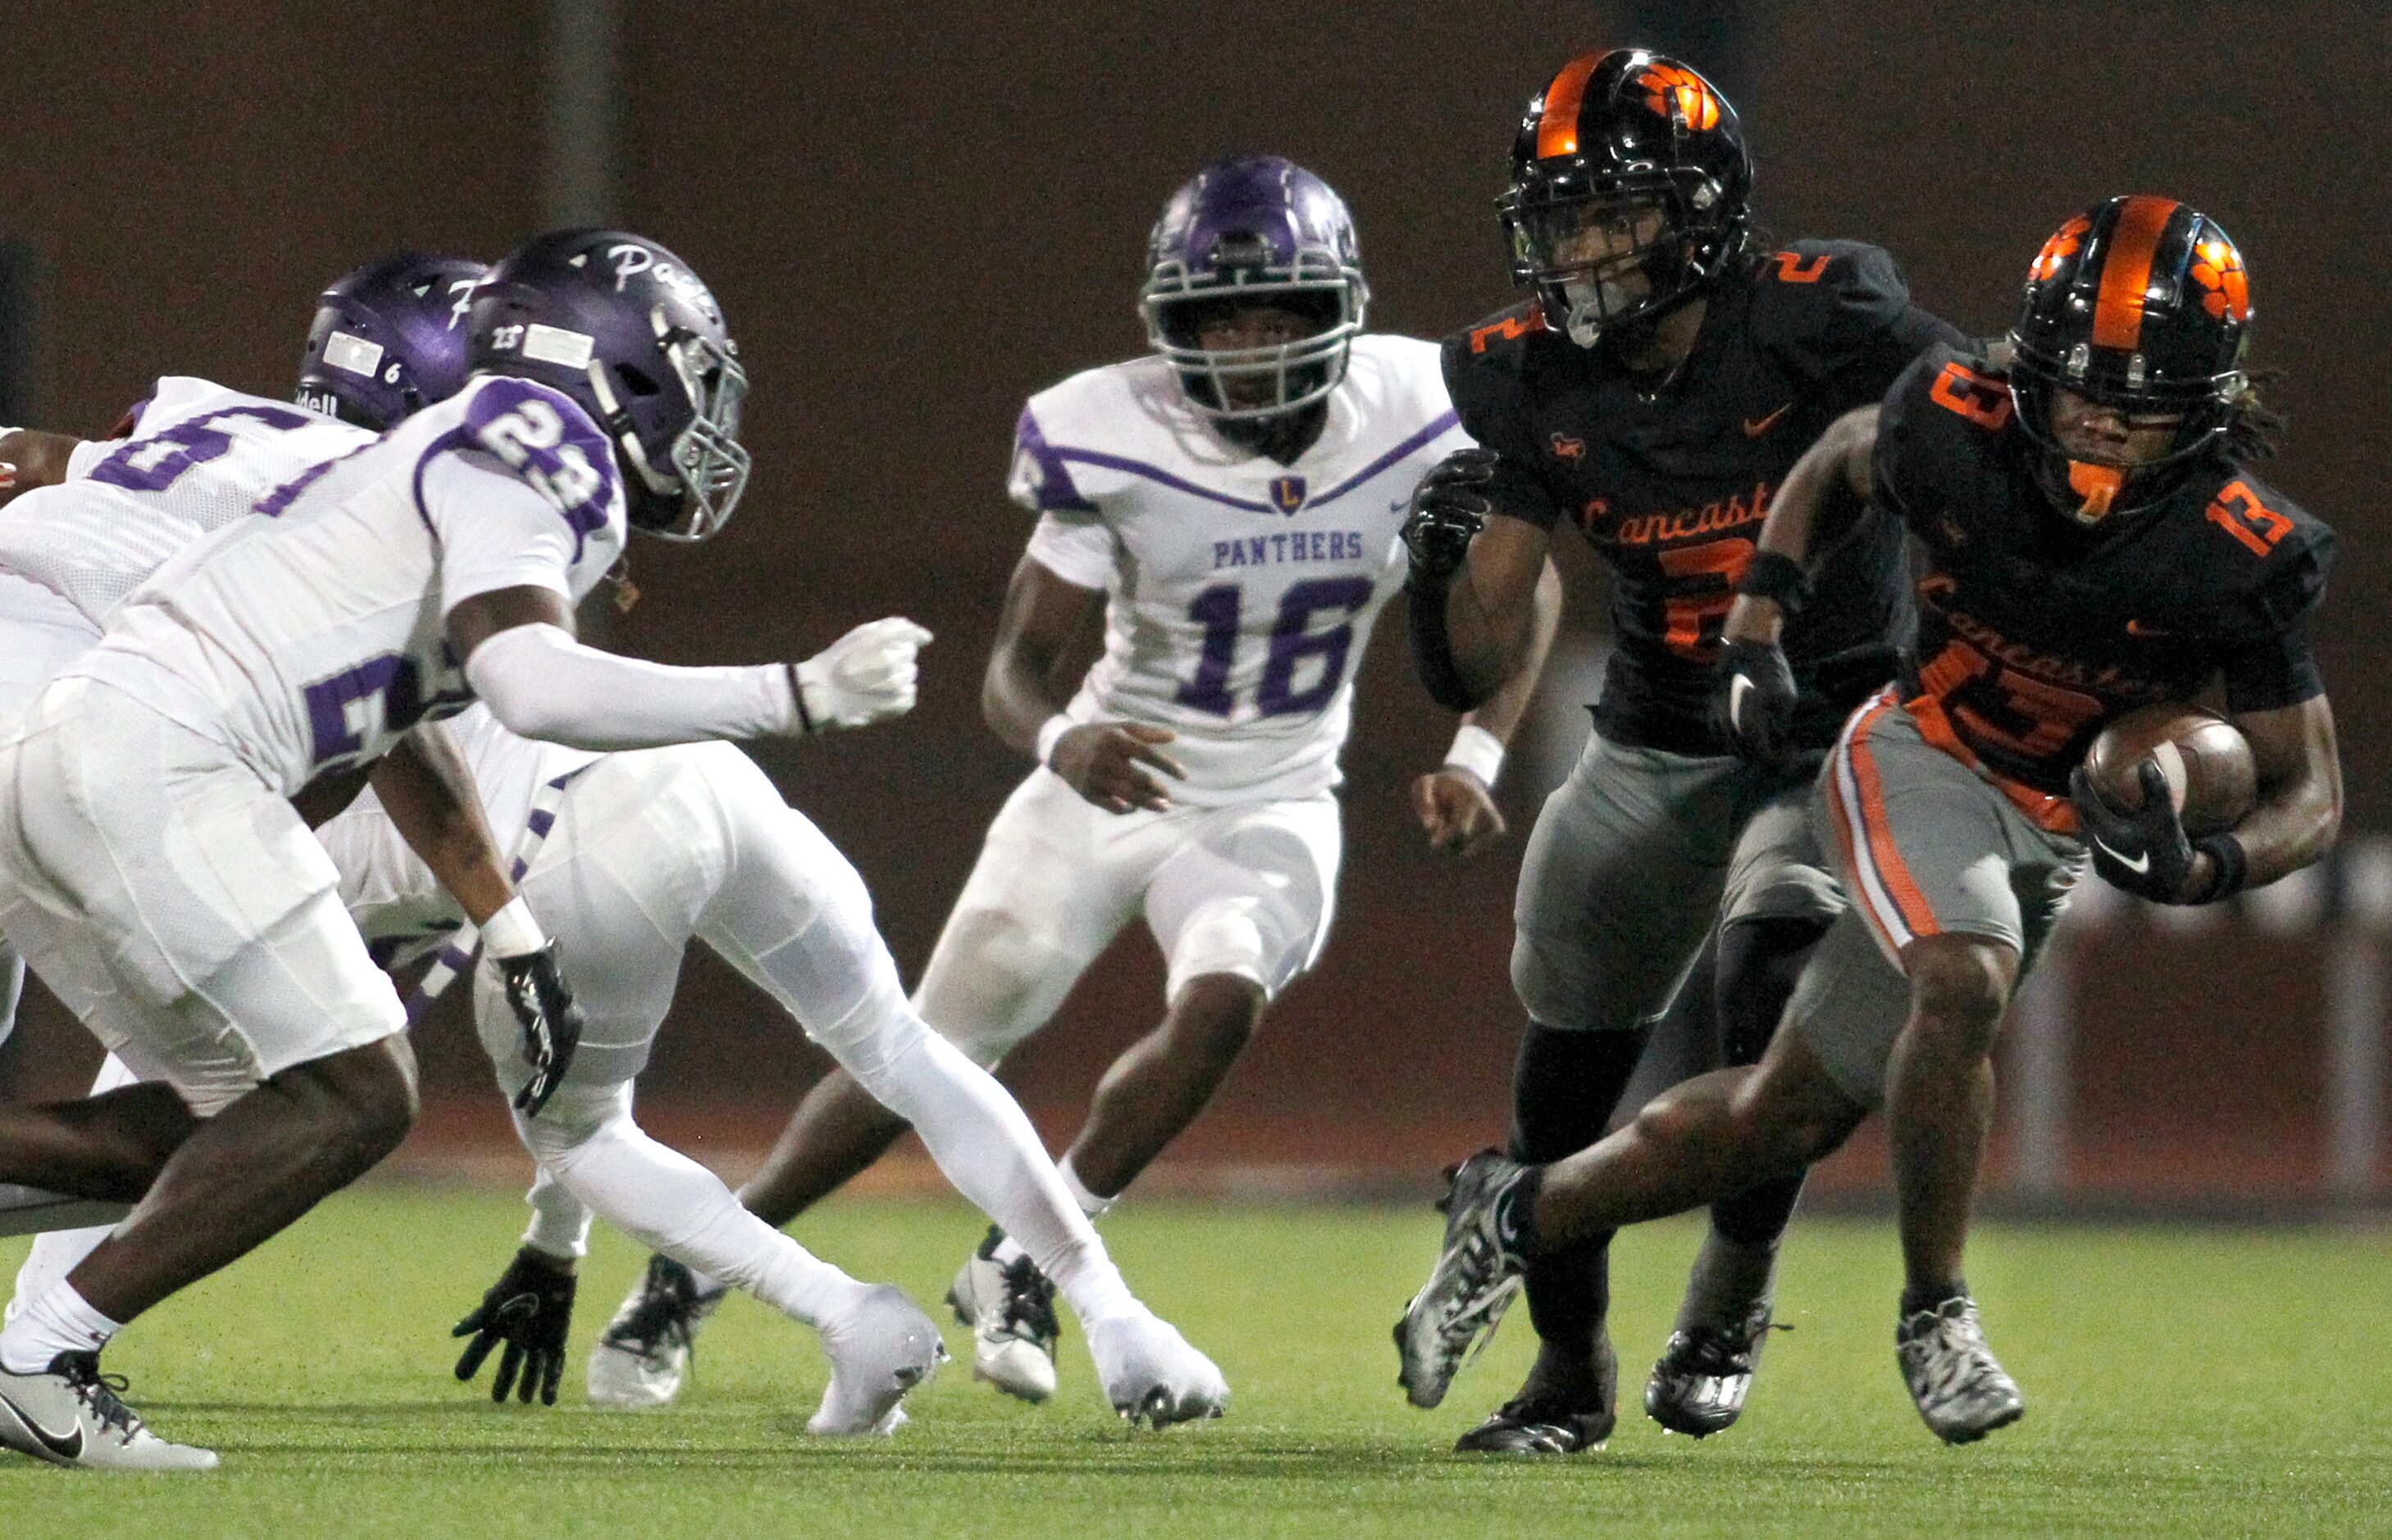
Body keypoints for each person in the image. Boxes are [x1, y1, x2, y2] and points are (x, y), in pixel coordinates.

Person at [591, 153, 1554, 1410]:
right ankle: (690, 1273)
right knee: (914, 1059)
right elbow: (1013, 668)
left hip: (1270, 796)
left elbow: (1524, 584)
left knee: (1222, 997)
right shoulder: (1108, 427)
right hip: (1099, 786)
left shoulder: (1427, 404)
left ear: (1341, 313)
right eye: (1223, 317)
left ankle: (1020, 1258)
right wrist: (1064, 743)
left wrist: (1477, 748)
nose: (1253, 346)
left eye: (1280, 314)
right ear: (1171, 323)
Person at [1396, 195, 2341, 1445]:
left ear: (2208, 398)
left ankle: (1516, 1214)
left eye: (2146, 395)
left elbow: (2307, 792)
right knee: (1956, 979)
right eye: (2084, 388)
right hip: (1912, 749)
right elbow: (1842, 458)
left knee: (1778, 1110)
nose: (2106, 421)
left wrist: (2209, 858)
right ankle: (1933, 1312)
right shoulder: (1959, 430)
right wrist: (1758, 619)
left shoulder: (2243, 546)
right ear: (2034, 368)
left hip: (2044, 817)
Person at [0, 227, 932, 1470]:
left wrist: (506, 919)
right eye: (688, 370)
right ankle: (37, 1359)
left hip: (75, 737)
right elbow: (530, 681)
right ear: (612, 364)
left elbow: (412, 720)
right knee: (356, 1091)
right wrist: (792, 694)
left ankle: (37, 1356)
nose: (707, 410)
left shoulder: (384, 458)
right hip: (154, 753)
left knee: (228, 1117)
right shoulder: (540, 448)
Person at [1394, 48, 1963, 1451]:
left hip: (1829, 724)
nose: (1581, 248)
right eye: (1562, 216)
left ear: (1700, 210)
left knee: (1772, 966)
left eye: (1613, 213)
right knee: (1564, 1072)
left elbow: (1981, 429)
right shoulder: (1517, 373)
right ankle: (1566, 1374)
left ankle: (1729, 1289)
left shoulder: (1821, 316)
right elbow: (1475, 647)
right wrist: (1432, 570)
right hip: (1653, 736)